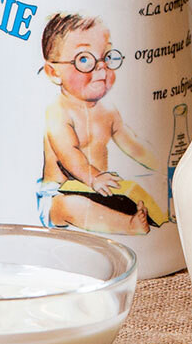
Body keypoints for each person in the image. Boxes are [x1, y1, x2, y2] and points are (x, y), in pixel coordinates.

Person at [37, 13, 163, 235]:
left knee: (135, 196)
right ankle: (128, 225)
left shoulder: (108, 111)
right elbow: (69, 154)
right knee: (71, 206)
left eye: (107, 57)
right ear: (54, 72)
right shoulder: (58, 112)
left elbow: (133, 144)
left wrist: (160, 165)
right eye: (84, 60)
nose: (101, 68)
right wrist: (93, 177)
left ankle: (131, 219)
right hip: (61, 192)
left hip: (98, 190)